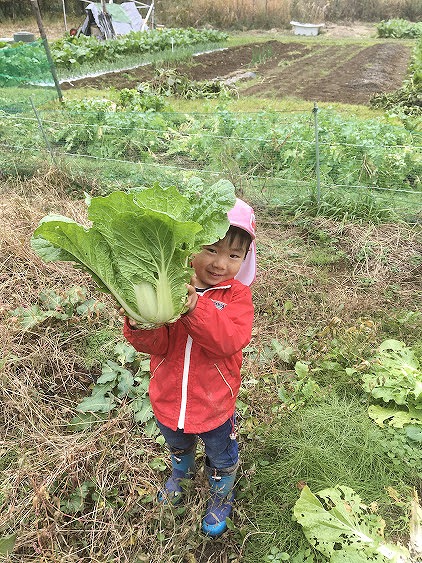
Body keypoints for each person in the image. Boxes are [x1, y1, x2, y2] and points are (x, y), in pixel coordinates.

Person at [122, 198, 256, 538]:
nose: (220, 263)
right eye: (210, 249)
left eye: (233, 255)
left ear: (246, 259)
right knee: (177, 445)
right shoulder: (167, 288)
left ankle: (221, 493)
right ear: (189, 248)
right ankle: (180, 474)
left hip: (215, 404)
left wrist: (195, 307)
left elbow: (229, 340)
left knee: (221, 454)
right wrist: (139, 322)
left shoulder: (237, 297)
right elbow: (157, 345)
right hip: (168, 398)